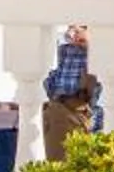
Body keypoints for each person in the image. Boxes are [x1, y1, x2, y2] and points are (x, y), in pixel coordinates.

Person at [36, 23, 102, 164]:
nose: (74, 33)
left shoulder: (99, 54)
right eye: (72, 28)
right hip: (60, 112)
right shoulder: (63, 51)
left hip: (85, 114)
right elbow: (49, 81)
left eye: (81, 28)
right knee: (58, 166)